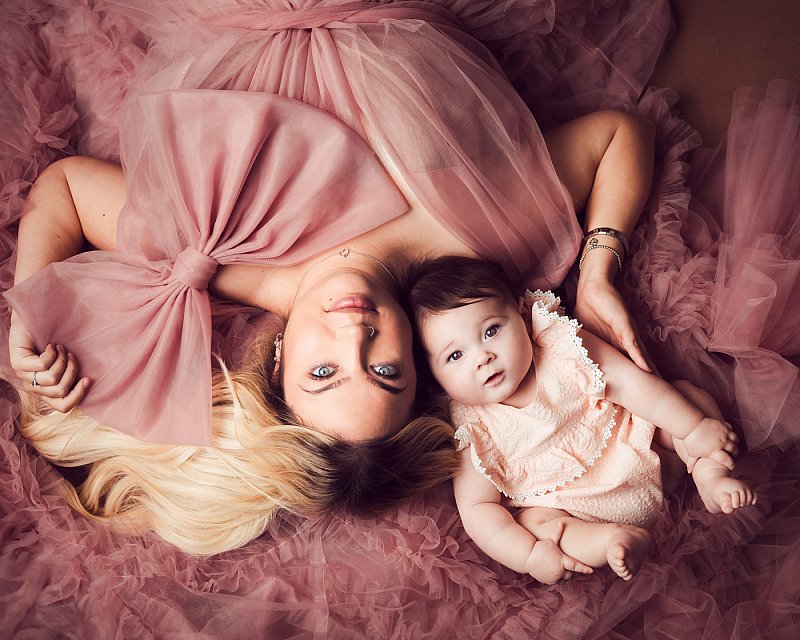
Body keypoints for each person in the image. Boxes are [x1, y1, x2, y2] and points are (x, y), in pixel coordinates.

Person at [406, 255, 757, 583]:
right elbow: (479, 510)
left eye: (491, 331)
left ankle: (709, 476)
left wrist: (692, 428)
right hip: (577, 511)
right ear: (436, 378)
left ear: (520, 312)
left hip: (646, 450)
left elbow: (631, 384)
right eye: (455, 355)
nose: (482, 357)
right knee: (536, 523)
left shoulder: (560, 345)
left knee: (686, 398)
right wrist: (529, 557)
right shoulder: (471, 426)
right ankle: (612, 540)